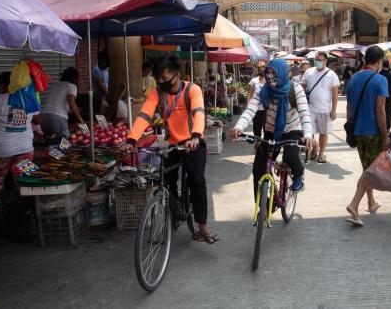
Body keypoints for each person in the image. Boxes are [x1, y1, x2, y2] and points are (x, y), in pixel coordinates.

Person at [126, 55, 219, 244]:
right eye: (158, 78)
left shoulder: (192, 90)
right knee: (166, 180)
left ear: (176, 76)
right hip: (172, 144)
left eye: (164, 78)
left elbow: (198, 113)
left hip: (193, 141)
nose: (161, 82)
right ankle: (174, 211)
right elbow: (144, 115)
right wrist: (131, 138)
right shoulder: (157, 92)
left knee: (196, 180)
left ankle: (202, 226)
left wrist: (195, 136)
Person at [231, 59, 315, 194]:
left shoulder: (295, 89)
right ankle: (261, 208)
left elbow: (305, 113)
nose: (270, 77)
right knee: (258, 168)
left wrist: (307, 135)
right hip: (271, 131)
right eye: (267, 73)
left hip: (292, 129)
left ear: (282, 73)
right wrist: (239, 126)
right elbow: (250, 109)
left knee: (290, 156)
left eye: (274, 73)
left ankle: (299, 174)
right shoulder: (263, 91)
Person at [345, 46, 389, 226]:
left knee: (367, 167)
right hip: (372, 132)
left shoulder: (353, 78)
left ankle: (371, 202)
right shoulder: (380, 80)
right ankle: (354, 204)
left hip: (357, 131)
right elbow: (380, 110)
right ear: (379, 61)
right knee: (370, 171)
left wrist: (351, 128)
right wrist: (385, 135)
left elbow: (348, 107)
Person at [301, 52, 339, 163]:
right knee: (308, 131)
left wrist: (334, 110)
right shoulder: (308, 72)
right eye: (316, 60)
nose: (317, 62)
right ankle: (314, 146)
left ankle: (321, 154)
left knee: (324, 132)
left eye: (320, 60)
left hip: (325, 109)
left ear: (325, 61)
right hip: (310, 108)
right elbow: (302, 88)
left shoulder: (331, 75)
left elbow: (335, 94)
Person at [41, 67, 84, 140]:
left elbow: (57, 104)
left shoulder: (57, 85)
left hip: (44, 119)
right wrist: (80, 119)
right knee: (64, 142)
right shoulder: (72, 86)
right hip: (57, 120)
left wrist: (74, 110)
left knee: (51, 144)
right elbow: (71, 102)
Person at [247, 69, 266, 138]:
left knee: (266, 127)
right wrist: (249, 105)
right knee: (257, 127)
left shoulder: (269, 81)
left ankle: (265, 143)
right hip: (256, 108)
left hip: (267, 109)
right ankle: (257, 140)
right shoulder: (253, 80)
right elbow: (249, 93)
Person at [379, 59, 391, 130]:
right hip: (390, 96)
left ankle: (380, 127)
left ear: (382, 65)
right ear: (388, 65)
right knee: (389, 112)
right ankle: (388, 127)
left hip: (380, 96)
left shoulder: (379, 74)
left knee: (380, 111)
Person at [92, 50, 110, 115]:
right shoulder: (96, 69)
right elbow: (101, 85)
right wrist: (108, 95)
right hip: (98, 97)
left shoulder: (106, 69)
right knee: (100, 115)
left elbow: (106, 84)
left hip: (104, 97)